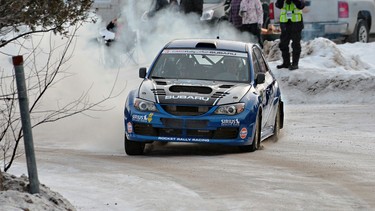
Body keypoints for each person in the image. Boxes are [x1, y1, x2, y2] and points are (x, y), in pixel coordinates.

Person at [275, 0, 305, 70]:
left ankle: (295, 64)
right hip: (285, 22)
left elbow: (301, 5)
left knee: (295, 44)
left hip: (296, 22)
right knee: (283, 44)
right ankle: (286, 62)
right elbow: (278, 5)